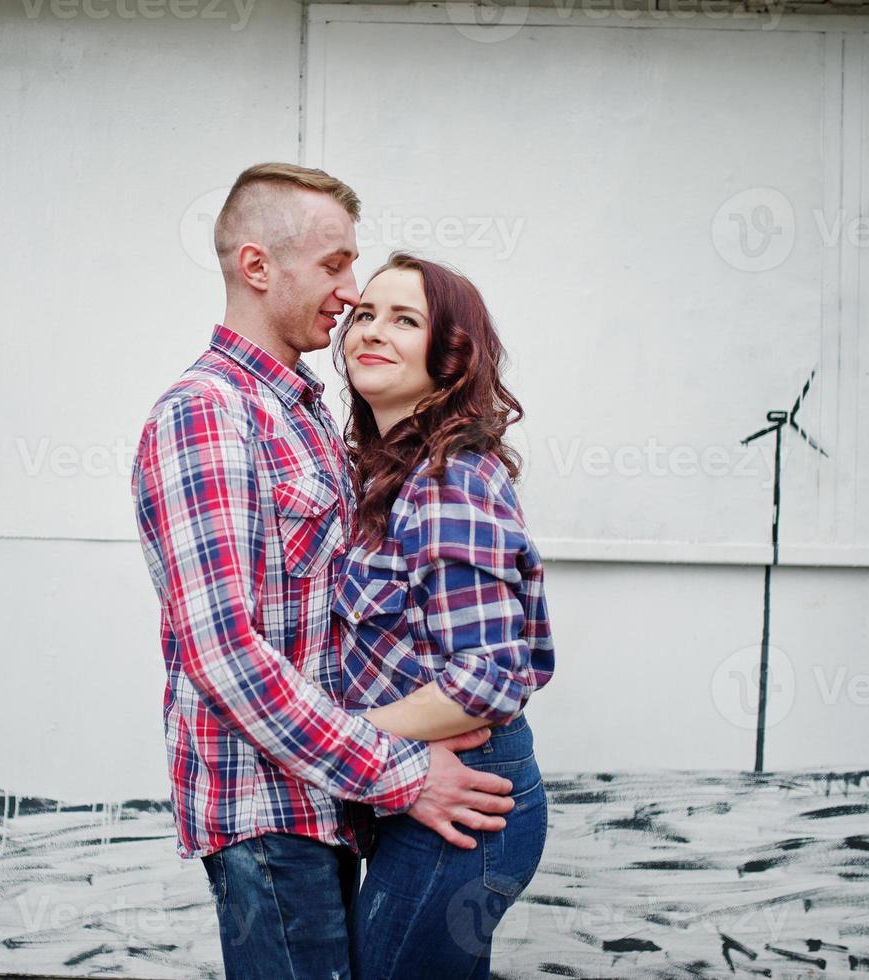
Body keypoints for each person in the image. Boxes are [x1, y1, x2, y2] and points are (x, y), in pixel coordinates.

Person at [130, 165, 517, 980]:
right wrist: (400, 772)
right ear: (257, 266)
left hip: (330, 798)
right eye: (335, 265)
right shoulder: (207, 414)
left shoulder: (305, 413)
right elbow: (223, 654)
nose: (349, 291)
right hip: (267, 811)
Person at [333, 252, 556, 980]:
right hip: (423, 788)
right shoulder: (385, 472)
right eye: (364, 314)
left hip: (468, 800)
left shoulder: (445, 476)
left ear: (450, 354)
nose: (371, 331)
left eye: (405, 319)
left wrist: (337, 744)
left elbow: (487, 679)